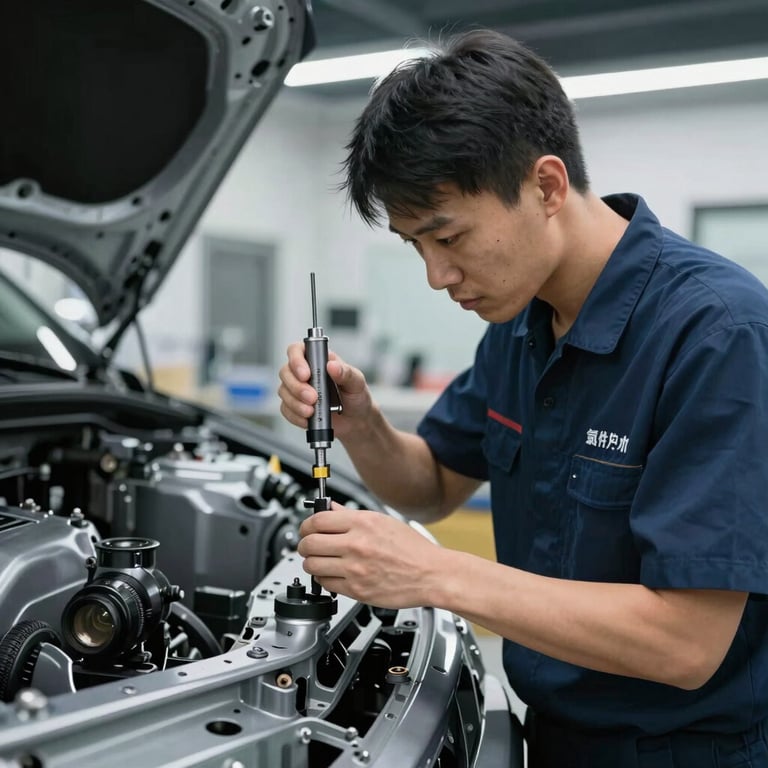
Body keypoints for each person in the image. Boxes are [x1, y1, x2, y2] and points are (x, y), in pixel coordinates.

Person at [277, 28, 768, 767]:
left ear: (546, 186)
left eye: (449, 237)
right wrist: (362, 423)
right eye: (416, 246)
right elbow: (435, 482)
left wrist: (432, 573)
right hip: (556, 738)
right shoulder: (519, 323)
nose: (438, 277)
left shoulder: (717, 335)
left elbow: (688, 642)